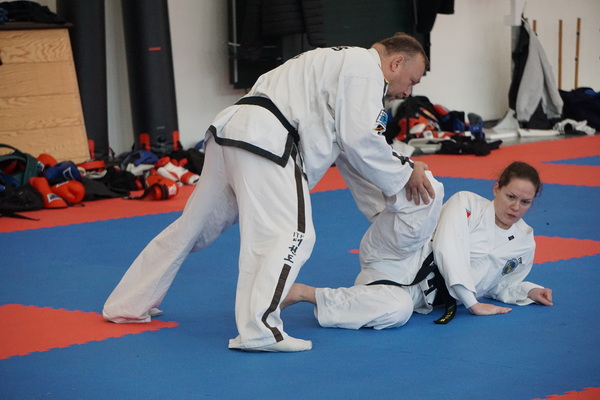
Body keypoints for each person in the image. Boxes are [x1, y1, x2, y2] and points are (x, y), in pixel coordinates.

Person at [102, 32, 436, 352]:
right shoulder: (365, 70)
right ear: (395, 63)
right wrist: (407, 171)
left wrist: (383, 202)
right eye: (412, 81)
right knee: (291, 234)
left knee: (192, 228)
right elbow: (361, 139)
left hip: (232, 130)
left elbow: (349, 152)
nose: (408, 92)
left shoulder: (338, 62)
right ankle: (260, 331)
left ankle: (128, 304)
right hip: (267, 139)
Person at [282, 161, 553, 329]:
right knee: (430, 190)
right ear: (496, 189)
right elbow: (447, 249)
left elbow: (497, 284)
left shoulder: (524, 241)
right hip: (398, 251)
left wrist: (528, 291)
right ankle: (369, 159)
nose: (516, 207)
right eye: (510, 196)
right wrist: (472, 303)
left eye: (525, 202)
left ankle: (303, 293)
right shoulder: (467, 203)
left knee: (397, 312)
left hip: (412, 293)